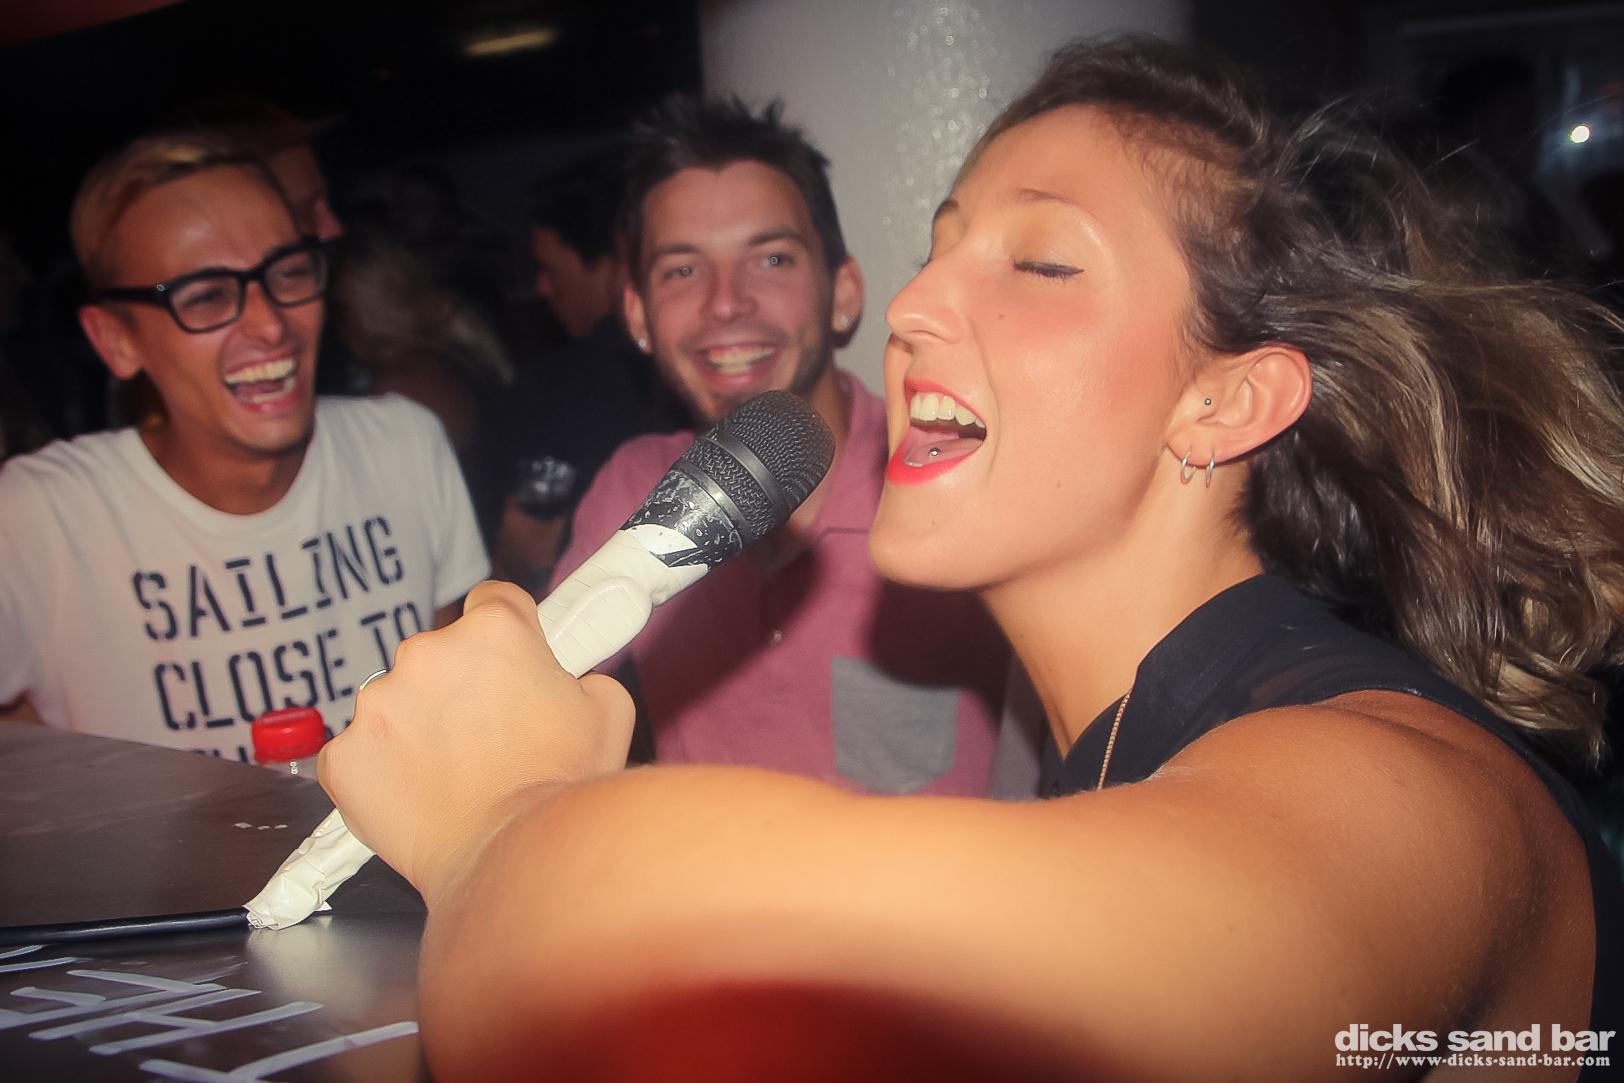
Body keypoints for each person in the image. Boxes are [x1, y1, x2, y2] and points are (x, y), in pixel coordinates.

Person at [321, 37, 1624, 1079]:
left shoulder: (1388, 786)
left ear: (1226, 400)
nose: (911, 306)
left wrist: (502, 822)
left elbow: (660, 966)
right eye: (938, 248)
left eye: (1040, 262)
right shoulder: (1120, 747)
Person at [545, 96, 1021, 794]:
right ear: (638, 316)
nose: (726, 302)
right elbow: (536, 714)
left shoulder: (955, 477)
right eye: (682, 270)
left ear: (842, 293)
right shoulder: (632, 488)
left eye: (771, 258)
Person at [0, 131, 488, 762]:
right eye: (206, 295)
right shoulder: (39, 519)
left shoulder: (403, 446)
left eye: (288, 272)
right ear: (116, 340)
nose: (270, 324)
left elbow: (471, 707)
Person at [487, 148, 683, 593]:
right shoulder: (686, 374)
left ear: (611, 262)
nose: (541, 287)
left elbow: (529, 549)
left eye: (547, 268)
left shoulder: (558, 386)